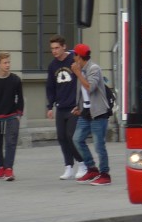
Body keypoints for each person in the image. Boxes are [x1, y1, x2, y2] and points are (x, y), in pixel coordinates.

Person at [71, 43, 113, 185]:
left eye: (74, 55)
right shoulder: (81, 69)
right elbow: (81, 93)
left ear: (79, 57)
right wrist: (79, 107)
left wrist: (77, 73)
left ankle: (105, 174)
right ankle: (92, 169)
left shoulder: (93, 69)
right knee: (77, 139)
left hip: (99, 112)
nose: (73, 58)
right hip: (86, 111)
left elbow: (90, 87)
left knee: (99, 145)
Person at [45, 35, 84, 180]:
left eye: (56, 48)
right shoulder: (52, 66)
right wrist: (50, 106)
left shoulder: (74, 60)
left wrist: (81, 103)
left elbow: (82, 80)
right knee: (61, 137)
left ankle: (82, 163)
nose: (54, 51)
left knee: (71, 136)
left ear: (64, 47)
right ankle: (68, 166)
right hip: (60, 107)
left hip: (74, 106)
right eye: (52, 49)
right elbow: (50, 87)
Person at [0, 52, 24, 181]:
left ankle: (9, 169)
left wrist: (19, 114)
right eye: (5, 63)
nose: (7, 65)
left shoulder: (15, 80)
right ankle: (1, 167)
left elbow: (20, 98)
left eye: (8, 62)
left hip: (12, 115)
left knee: (11, 142)